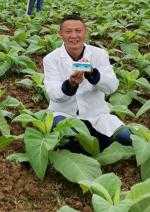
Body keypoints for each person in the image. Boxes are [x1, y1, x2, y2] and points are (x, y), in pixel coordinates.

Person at [43, 14, 131, 150]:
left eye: (78, 31)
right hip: (65, 114)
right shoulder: (51, 59)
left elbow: (112, 87)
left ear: (85, 32)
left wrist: (93, 75)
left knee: (126, 137)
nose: (73, 36)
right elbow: (53, 94)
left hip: (97, 114)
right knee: (67, 135)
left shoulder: (99, 54)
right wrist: (70, 84)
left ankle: (93, 142)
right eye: (68, 31)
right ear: (60, 34)